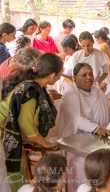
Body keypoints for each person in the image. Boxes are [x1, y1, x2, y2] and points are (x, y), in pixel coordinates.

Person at [57, 63, 110, 191]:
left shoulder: (97, 90)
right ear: (75, 78)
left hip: (101, 137)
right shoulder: (70, 95)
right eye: (84, 75)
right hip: (78, 143)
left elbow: (109, 107)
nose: (89, 77)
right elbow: (76, 119)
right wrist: (95, 128)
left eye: (90, 74)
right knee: (91, 161)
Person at [1, 53, 63, 191]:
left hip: (6, 132)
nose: (61, 77)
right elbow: (26, 123)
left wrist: (28, 139)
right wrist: (45, 143)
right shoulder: (31, 89)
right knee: (13, 173)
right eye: (60, 73)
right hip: (3, 136)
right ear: (53, 75)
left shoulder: (29, 83)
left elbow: (18, 117)